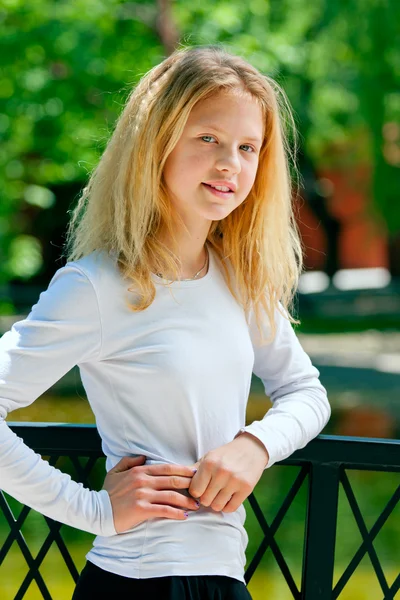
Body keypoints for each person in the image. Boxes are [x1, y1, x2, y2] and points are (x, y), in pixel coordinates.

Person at [0, 45, 331, 599]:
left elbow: (305, 392)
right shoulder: (98, 286)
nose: (231, 162)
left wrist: (256, 446)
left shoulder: (239, 278)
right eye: (209, 139)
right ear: (157, 142)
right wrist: (94, 511)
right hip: (141, 581)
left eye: (248, 147)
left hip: (225, 577)